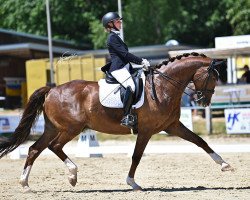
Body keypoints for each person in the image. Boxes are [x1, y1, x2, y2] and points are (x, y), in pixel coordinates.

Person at [101, 12, 150, 129]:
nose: (120, 22)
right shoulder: (112, 38)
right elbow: (125, 54)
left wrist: (139, 65)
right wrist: (141, 61)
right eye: (117, 21)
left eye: (120, 20)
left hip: (125, 67)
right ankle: (127, 116)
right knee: (131, 86)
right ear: (110, 24)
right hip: (118, 68)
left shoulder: (116, 36)